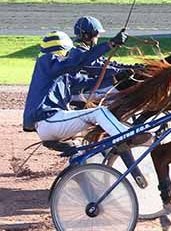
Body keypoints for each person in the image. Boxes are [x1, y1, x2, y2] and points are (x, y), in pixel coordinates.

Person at [23, 29, 151, 148]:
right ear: (62, 50)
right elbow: (79, 61)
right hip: (50, 121)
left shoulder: (62, 74)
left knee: (96, 119)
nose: (70, 55)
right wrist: (109, 44)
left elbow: (90, 83)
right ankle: (127, 137)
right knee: (98, 113)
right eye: (69, 52)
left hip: (51, 124)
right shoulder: (47, 61)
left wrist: (119, 76)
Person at [69, 16, 135, 103]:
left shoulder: (89, 50)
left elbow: (107, 63)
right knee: (126, 93)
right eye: (97, 34)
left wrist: (135, 67)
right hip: (79, 93)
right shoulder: (77, 52)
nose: (99, 36)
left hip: (91, 88)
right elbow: (100, 69)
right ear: (87, 35)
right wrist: (121, 72)